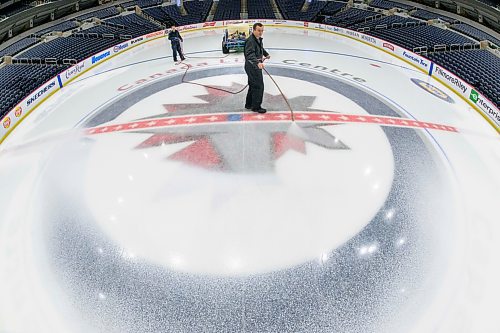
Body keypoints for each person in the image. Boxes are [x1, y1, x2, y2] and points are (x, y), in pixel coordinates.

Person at [244, 22, 270, 113]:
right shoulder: (250, 40)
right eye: (259, 30)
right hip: (252, 66)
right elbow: (249, 54)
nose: (260, 32)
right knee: (259, 86)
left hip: (254, 65)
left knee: (253, 85)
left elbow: (260, 48)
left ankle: (249, 104)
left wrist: (266, 54)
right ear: (254, 30)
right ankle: (256, 107)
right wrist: (257, 62)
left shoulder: (257, 39)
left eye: (262, 30)